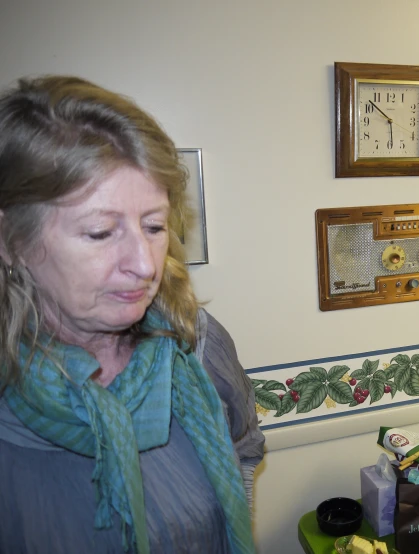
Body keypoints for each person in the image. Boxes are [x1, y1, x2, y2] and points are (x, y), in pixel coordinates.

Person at [0, 76, 265, 554]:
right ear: (11, 241)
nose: (145, 265)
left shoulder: (196, 342)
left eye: (155, 225)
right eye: (101, 232)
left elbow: (243, 452)